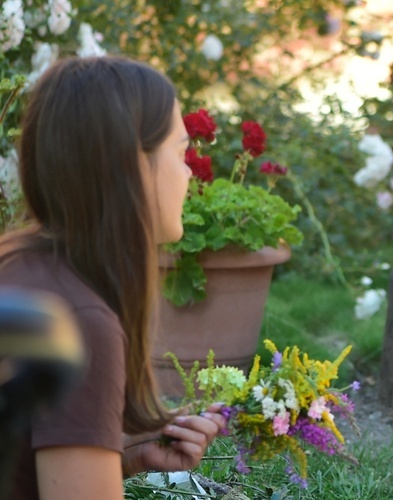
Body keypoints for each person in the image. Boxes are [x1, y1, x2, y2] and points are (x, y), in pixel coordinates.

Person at [0, 56, 226, 499]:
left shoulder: (19, 266)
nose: (187, 173)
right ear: (134, 166)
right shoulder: (80, 320)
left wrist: (122, 456)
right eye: (181, 152)